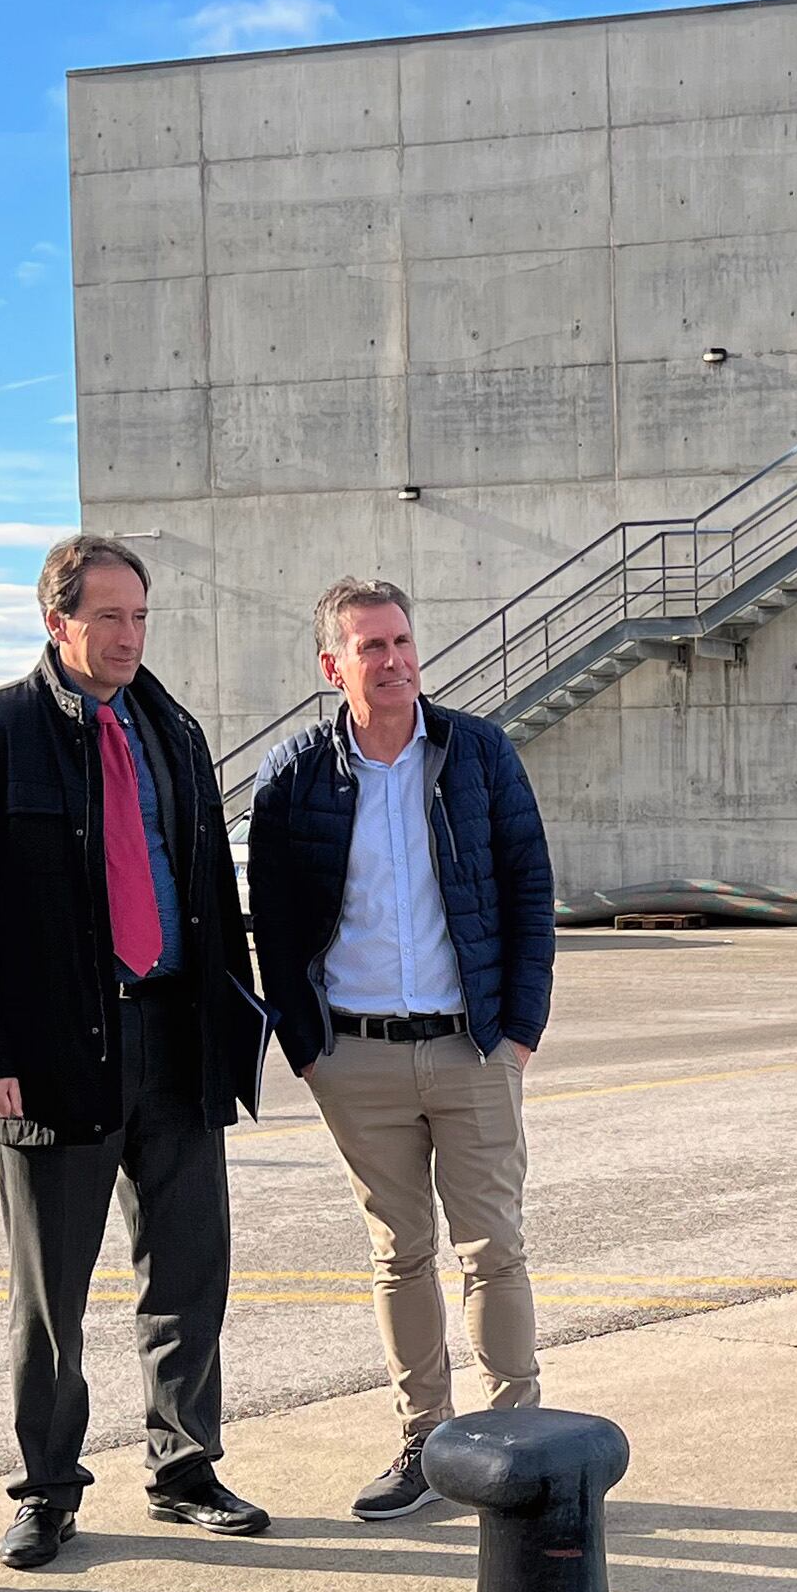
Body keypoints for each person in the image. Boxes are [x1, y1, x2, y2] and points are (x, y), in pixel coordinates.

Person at [0, 534, 270, 1566]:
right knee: (52, 1296)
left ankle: (184, 1466)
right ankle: (46, 1489)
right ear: (57, 622)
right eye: (106, 618)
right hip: (52, 1050)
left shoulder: (174, 728)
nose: (127, 637)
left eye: (139, 618)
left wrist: (232, 1020)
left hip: (173, 1035)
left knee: (188, 1271)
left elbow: (210, 891)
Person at [245, 578, 557, 1522]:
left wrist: (518, 1034)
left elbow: (528, 891)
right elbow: (272, 916)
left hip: (471, 1046)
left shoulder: (478, 754)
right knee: (399, 1256)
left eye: (402, 642)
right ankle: (426, 1440)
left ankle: (517, 1444)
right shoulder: (295, 773)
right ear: (331, 665)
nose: (393, 662)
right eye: (369, 647)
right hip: (356, 1056)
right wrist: (305, 1045)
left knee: (493, 1250)